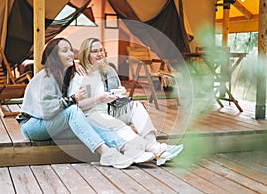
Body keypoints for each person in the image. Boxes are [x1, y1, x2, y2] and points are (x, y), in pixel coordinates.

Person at [18, 37, 138, 169]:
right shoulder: (47, 76)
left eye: (70, 50)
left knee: (89, 119)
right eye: (65, 50)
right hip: (33, 125)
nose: (70, 53)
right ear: (54, 56)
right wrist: (74, 98)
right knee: (73, 111)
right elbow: (48, 110)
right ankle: (106, 153)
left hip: (52, 123)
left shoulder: (64, 73)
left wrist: (78, 64)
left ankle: (124, 146)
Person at [72, 38, 183, 166]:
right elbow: (78, 105)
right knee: (119, 126)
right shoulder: (79, 75)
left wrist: (119, 92)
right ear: (86, 55)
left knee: (136, 106)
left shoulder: (106, 70)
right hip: (92, 115)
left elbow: (112, 92)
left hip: (110, 108)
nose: (100, 54)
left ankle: (154, 146)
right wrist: (100, 98)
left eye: (101, 50)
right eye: (94, 51)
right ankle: (156, 151)